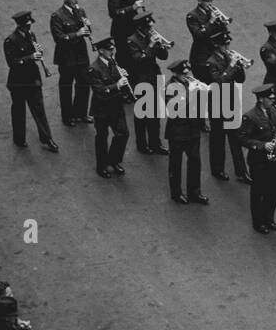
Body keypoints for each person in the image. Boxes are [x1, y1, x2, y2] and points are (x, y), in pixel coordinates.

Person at [4, 11, 58, 153]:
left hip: (33, 80)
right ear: (20, 26)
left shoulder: (31, 35)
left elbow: (33, 53)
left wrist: (37, 53)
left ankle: (47, 138)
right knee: (19, 111)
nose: (29, 28)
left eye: (30, 25)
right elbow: (12, 63)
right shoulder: (11, 40)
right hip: (18, 83)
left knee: (39, 110)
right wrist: (31, 57)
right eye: (26, 26)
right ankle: (19, 138)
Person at [239, 84, 276, 234]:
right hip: (259, 161)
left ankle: (269, 218)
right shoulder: (250, 116)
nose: (273, 101)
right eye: (270, 98)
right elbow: (242, 138)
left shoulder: (275, 111)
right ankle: (258, 222)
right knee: (258, 192)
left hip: (275, 158)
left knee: (274, 191)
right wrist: (262, 145)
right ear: (261, 99)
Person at [202, 30, 250, 183]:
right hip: (217, 102)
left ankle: (242, 172)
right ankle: (217, 169)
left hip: (231, 101)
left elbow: (240, 79)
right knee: (218, 138)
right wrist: (231, 66)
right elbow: (218, 82)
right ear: (217, 45)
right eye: (224, 44)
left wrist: (240, 66)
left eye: (228, 43)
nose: (227, 46)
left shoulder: (230, 58)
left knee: (236, 137)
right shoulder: (211, 62)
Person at [162, 60, 208, 205]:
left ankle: (194, 192)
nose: (186, 76)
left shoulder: (189, 83)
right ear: (175, 74)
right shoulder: (169, 87)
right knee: (176, 163)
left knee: (195, 162)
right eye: (183, 74)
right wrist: (193, 92)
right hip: (178, 131)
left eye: (187, 73)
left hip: (192, 129)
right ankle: (176, 193)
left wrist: (202, 91)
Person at [123, 11, 169, 156]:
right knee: (142, 114)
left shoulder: (152, 36)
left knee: (156, 113)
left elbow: (163, 56)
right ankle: (142, 144)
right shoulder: (131, 40)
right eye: (148, 27)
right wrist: (150, 45)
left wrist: (160, 45)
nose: (151, 29)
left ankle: (156, 143)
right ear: (141, 28)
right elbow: (138, 60)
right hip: (140, 78)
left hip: (154, 76)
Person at [86, 38, 132, 178]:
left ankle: (113, 160)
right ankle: (102, 166)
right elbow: (99, 90)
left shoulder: (113, 62)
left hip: (116, 105)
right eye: (109, 49)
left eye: (113, 49)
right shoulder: (94, 68)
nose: (112, 51)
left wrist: (122, 76)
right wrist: (117, 85)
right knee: (102, 137)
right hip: (102, 109)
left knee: (123, 133)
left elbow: (115, 77)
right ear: (101, 51)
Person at [49, 0, 93, 126]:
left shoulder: (81, 11)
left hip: (81, 55)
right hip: (66, 57)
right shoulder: (57, 16)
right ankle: (67, 116)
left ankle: (80, 113)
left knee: (84, 84)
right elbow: (59, 38)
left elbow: (87, 31)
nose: (76, 0)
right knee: (66, 87)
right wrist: (77, 34)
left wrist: (87, 27)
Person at [105, 0, 143, 65]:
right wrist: (133, 7)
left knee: (136, 54)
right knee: (125, 57)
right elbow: (113, 13)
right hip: (122, 30)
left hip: (133, 26)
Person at [185, 0, 229, 74]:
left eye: (211, 0)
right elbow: (198, 35)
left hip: (216, 55)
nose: (210, 3)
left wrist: (222, 21)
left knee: (221, 84)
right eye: (207, 0)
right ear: (199, 1)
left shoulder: (214, 13)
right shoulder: (192, 16)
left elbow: (223, 32)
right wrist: (211, 22)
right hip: (201, 57)